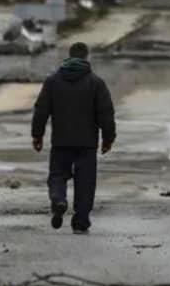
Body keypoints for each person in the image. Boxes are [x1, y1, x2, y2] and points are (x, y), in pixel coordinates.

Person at [31, 42, 116, 235]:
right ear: (87, 57)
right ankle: (81, 221)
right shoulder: (96, 83)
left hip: (61, 142)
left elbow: (41, 110)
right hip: (87, 144)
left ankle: (59, 200)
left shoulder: (52, 81)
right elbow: (106, 113)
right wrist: (108, 138)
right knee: (85, 182)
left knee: (57, 176)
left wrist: (37, 134)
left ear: (68, 57)